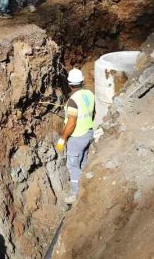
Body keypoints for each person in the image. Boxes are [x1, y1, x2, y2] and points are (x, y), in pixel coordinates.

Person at [55, 68, 94, 205]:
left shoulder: (72, 101)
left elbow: (71, 123)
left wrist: (63, 138)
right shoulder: (89, 94)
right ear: (82, 81)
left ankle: (75, 194)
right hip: (89, 132)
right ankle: (85, 185)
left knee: (73, 165)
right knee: (82, 161)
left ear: (69, 83)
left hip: (77, 137)